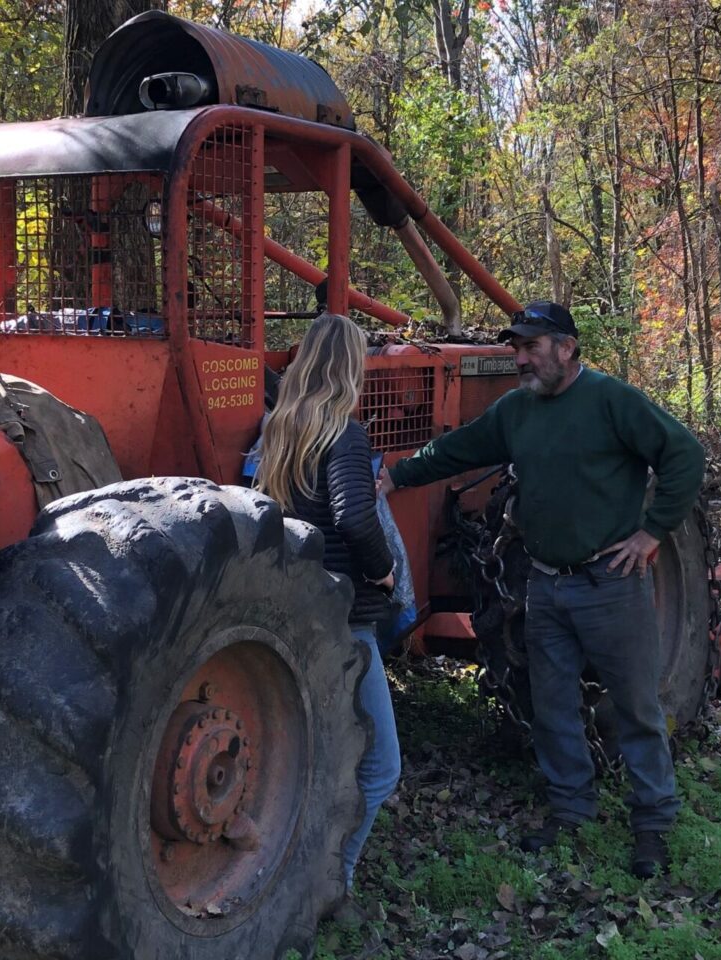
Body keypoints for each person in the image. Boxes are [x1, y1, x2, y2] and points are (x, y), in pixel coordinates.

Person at [378, 300, 704, 878]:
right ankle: (571, 808)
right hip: (546, 587)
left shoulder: (610, 401)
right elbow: (456, 450)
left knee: (635, 707)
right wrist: (395, 475)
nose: (521, 358)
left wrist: (652, 534)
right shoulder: (517, 411)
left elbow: (682, 454)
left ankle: (651, 823)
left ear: (566, 348)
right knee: (554, 707)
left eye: (531, 347)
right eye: (517, 348)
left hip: (611, 586)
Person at [254, 312, 402, 915]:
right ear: (349, 366)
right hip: (348, 618)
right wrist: (382, 570)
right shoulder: (343, 434)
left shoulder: (280, 431)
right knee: (381, 767)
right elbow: (355, 516)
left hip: (302, 613)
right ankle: (328, 886)